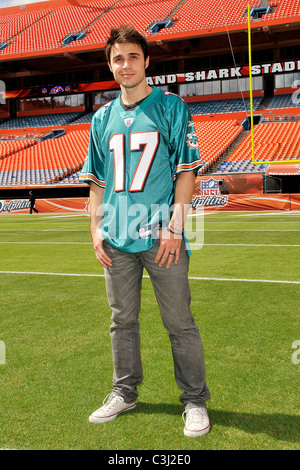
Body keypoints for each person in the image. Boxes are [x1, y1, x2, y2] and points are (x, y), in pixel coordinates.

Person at [80, 25, 210, 437]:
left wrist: (175, 228)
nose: (126, 64)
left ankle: (194, 400)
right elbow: (97, 182)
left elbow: (186, 173)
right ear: (110, 65)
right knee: (122, 321)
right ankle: (125, 391)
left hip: (160, 236)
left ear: (147, 60)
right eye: (118, 58)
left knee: (179, 322)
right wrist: (96, 230)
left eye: (133, 56)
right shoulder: (102, 117)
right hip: (116, 239)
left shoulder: (171, 108)